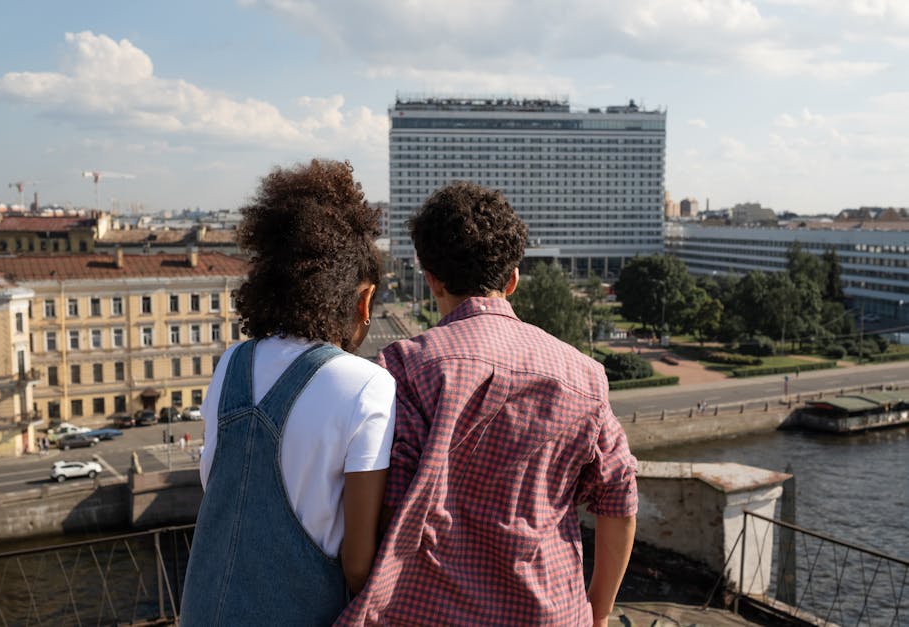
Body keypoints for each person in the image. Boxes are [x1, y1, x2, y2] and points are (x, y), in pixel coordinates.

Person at [338, 182, 638, 626]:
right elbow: (619, 498)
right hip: (551, 611)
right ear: (513, 278)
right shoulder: (585, 375)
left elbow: (387, 506)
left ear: (431, 279)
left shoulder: (406, 366)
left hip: (430, 613)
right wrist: (597, 610)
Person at [180, 160, 396, 626]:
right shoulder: (367, 385)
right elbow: (359, 565)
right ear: (363, 300)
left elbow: (218, 488)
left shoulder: (232, 363)